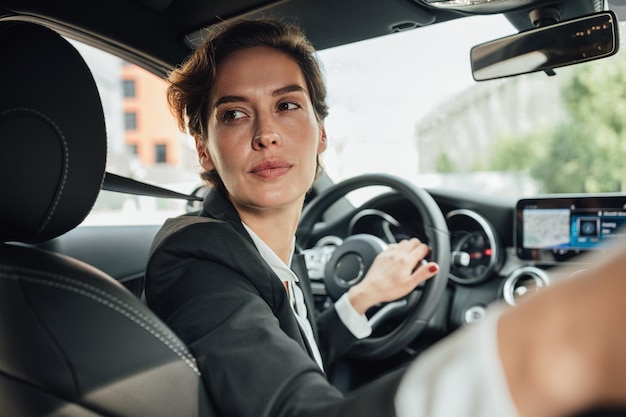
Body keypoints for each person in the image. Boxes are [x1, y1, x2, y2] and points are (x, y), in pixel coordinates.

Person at [145, 18, 626, 417]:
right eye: (234, 114)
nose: (267, 133)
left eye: (287, 105)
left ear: (322, 136)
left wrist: (361, 298)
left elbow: (286, 353)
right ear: (205, 150)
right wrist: (555, 341)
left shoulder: (265, 252)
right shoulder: (198, 259)